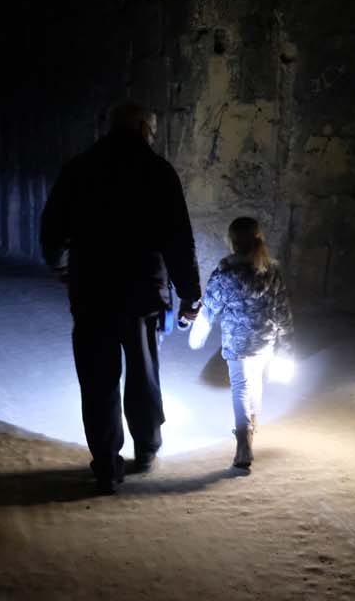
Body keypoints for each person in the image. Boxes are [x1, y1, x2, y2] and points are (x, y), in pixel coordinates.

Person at [40, 102, 202, 494]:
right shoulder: (158, 172)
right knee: (143, 374)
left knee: (97, 379)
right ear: (145, 128)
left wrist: (62, 266)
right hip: (142, 291)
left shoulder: (79, 169)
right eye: (152, 130)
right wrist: (190, 294)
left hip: (92, 289)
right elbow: (178, 238)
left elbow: (52, 226)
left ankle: (107, 465)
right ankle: (146, 448)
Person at [192, 217, 295, 470]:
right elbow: (282, 309)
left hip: (236, 342)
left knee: (240, 387)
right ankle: (252, 429)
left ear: (232, 242)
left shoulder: (225, 272)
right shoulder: (270, 271)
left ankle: (243, 442)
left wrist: (197, 336)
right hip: (264, 340)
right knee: (256, 382)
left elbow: (210, 308)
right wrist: (287, 341)